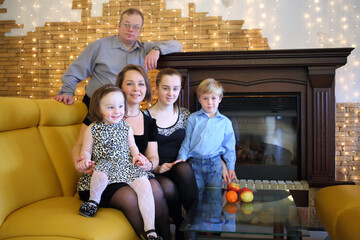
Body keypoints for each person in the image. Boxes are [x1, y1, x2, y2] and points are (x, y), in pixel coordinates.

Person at [73, 65, 170, 240]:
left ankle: (159, 235)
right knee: (129, 197)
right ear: (120, 87)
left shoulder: (144, 123)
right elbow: (81, 147)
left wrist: (147, 163)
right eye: (130, 83)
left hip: (128, 169)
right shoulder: (94, 122)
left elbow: (151, 155)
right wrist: (81, 163)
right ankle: (144, 236)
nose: (136, 88)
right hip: (102, 173)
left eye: (141, 84)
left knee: (155, 189)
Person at [54, 7, 182, 106]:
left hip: (127, 109)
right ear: (119, 26)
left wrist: (157, 50)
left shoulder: (146, 49)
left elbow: (177, 45)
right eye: (127, 24)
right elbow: (73, 73)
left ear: (140, 31)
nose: (131, 29)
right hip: (96, 107)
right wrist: (67, 93)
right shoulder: (99, 46)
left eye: (136, 26)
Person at [143, 68, 198, 239]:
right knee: (168, 188)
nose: (171, 93)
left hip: (179, 166)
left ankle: (194, 224)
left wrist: (224, 162)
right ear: (157, 88)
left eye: (175, 88)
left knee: (183, 168)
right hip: (155, 168)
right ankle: (179, 223)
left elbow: (199, 143)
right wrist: (157, 167)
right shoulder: (144, 116)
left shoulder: (185, 115)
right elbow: (138, 151)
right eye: (166, 88)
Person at [176, 78, 237, 190]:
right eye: (205, 98)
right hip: (194, 165)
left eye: (213, 98)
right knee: (196, 196)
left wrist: (230, 167)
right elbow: (187, 141)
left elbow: (229, 147)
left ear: (220, 99)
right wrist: (181, 159)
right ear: (199, 99)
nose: (209, 102)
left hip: (215, 165)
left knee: (213, 196)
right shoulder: (193, 118)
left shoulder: (225, 122)